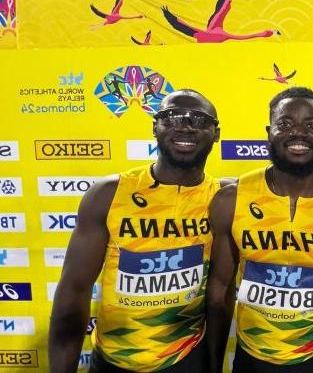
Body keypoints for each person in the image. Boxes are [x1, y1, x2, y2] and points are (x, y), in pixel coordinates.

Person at [49, 89, 224, 372]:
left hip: (187, 358)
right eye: (171, 117)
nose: (184, 125)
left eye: (199, 119)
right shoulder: (108, 194)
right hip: (115, 361)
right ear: (155, 126)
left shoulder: (224, 199)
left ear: (216, 133)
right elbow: (73, 291)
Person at [206, 87, 313, 373]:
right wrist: (212, 365)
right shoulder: (232, 199)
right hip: (252, 359)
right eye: (285, 124)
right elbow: (221, 289)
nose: (299, 133)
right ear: (269, 132)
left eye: (311, 125)